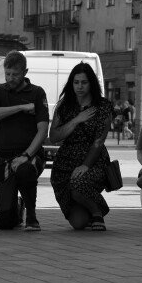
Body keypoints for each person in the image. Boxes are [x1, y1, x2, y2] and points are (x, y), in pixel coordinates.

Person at [0, 51, 49, 231]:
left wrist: (26, 155)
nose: (11, 78)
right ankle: (17, 207)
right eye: (8, 74)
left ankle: (32, 217)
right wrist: (20, 107)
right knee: (3, 222)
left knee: (25, 170)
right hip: (4, 158)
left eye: (15, 74)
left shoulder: (37, 93)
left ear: (25, 72)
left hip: (30, 155)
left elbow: (43, 130)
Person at [49, 62, 113, 230]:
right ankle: (86, 208)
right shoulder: (64, 105)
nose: (79, 86)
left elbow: (99, 141)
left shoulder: (103, 106)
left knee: (78, 184)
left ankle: (97, 212)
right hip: (65, 164)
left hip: (93, 161)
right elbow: (54, 136)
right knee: (79, 223)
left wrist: (85, 165)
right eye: (76, 82)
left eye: (84, 82)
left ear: (91, 83)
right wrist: (76, 120)